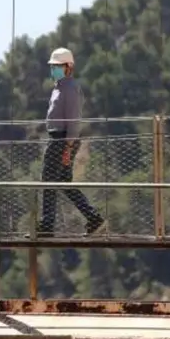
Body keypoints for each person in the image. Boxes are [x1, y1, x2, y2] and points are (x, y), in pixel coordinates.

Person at [37, 47, 106, 237]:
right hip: (58, 138)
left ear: (68, 67)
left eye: (57, 66)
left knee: (48, 181)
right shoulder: (58, 88)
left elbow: (74, 121)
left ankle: (46, 227)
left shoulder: (71, 88)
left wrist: (67, 147)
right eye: (53, 66)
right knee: (63, 182)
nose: (53, 70)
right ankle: (93, 218)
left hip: (62, 139)